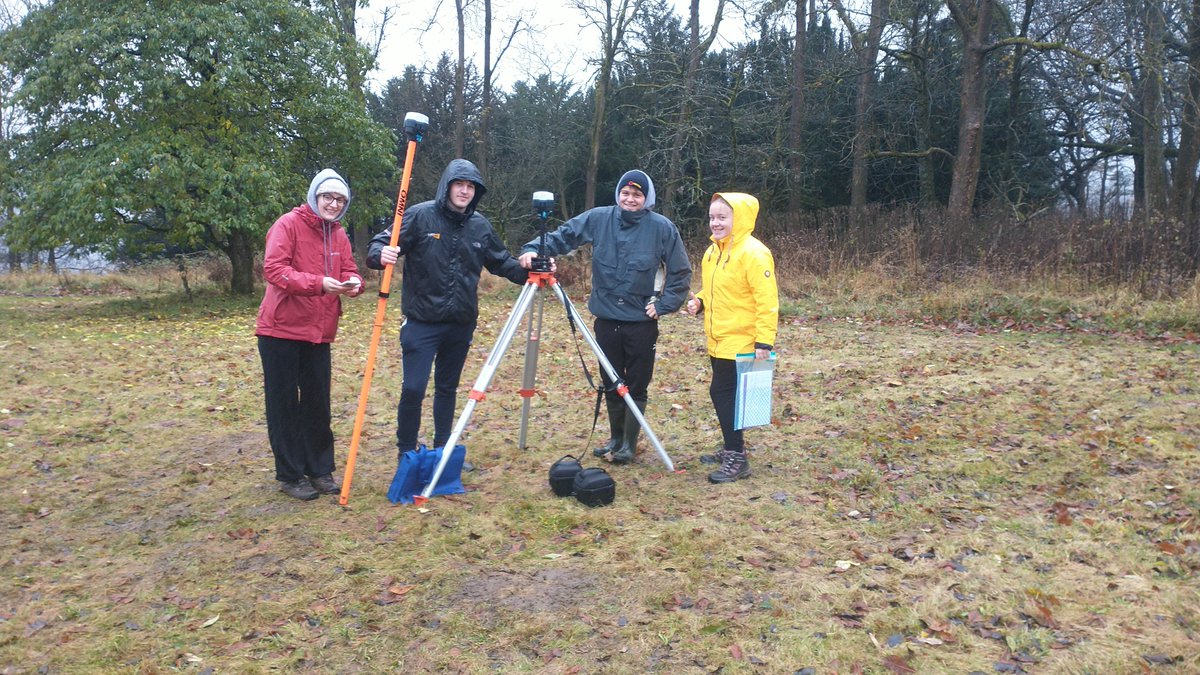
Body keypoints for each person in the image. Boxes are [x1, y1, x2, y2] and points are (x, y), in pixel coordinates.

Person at [518, 170, 691, 464]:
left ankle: (629, 444)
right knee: (610, 379)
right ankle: (615, 438)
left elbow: (680, 271)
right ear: (618, 195)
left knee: (636, 382)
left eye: (637, 195)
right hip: (606, 319)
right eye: (626, 193)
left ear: (646, 198)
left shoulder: (662, 228)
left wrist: (664, 304)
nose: (630, 199)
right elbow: (565, 235)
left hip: (641, 323)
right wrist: (534, 248)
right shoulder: (599, 218)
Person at [367, 159, 529, 460]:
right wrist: (380, 254)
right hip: (421, 322)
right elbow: (380, 244)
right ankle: (406, 451)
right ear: (448, 186)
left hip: (460, 323)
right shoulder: (419, 216)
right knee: (414, 388)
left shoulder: (480, 226)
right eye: (460, 185)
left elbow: (502, 262)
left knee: (447, 388)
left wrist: (530, 270)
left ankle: (443, 449)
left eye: (470, 187)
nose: (465, 191)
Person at [256, 169, 364, 501]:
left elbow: (348, 269)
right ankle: (290, 475)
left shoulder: (340, 234)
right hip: (281, 330)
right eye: (328, 197)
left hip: (320, 331)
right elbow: (274, 269)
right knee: (284, 404)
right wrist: (318, 284)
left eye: (340, 200)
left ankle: (319, 469)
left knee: (318, 402)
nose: (333, 204)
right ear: (315, 196)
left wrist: (353, 283)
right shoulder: (287, 224)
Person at [685, 192, 779, 483]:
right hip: (717, 336)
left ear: (739, 219)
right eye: (712, 217)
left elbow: (767, 300)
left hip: (741, 340)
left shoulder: (754, 252)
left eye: (722, 217)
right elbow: (716, 289)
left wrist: (764, 341)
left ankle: (737, 457)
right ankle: (731, 447)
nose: (715, 223)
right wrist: (699, 301)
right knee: (729, 396)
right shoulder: (713, 251)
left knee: (721, 392)